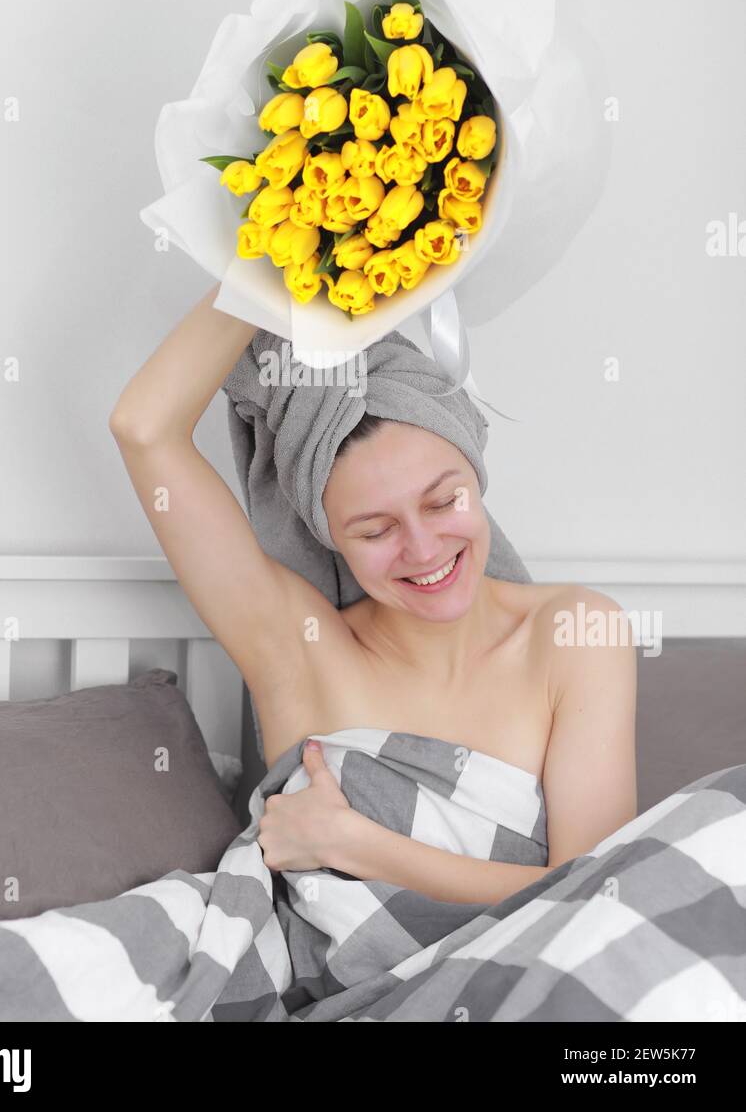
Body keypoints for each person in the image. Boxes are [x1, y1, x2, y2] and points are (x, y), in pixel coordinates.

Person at [109, 283, 637, 906]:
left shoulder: (576, 631)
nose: (423, 549)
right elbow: (144, 428)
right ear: (331, 536)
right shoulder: (298, 649)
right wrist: (271, 252)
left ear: (477, 474)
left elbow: (598, 897)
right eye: (375, 529)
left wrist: (352, 843)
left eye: (444, 501)